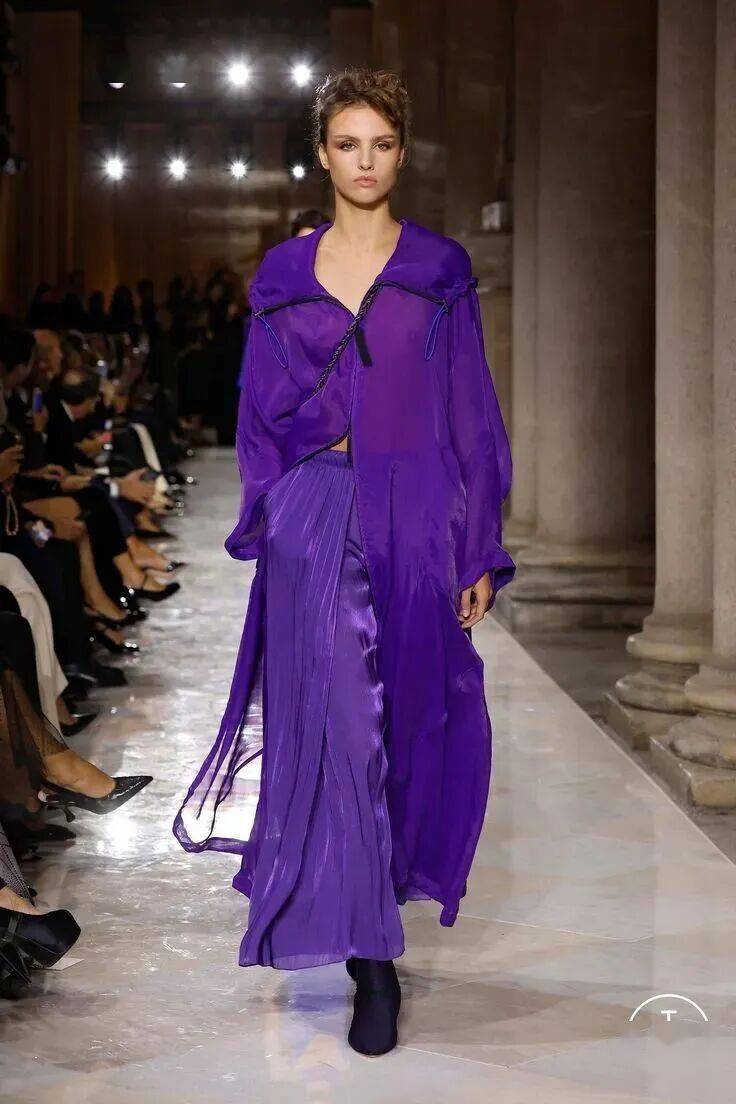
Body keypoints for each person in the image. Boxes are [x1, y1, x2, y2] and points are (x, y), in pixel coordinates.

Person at [173, 67, 516, 1057]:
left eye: (382, 144)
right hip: (317, 514)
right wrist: (275, 509)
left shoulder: (440, 268)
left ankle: (375, 914)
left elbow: (471, 413)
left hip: (415, 517)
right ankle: (373, 960)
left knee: (404, 724)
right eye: (347, 144)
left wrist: (477, 544)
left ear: (400, 155)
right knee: (343, 729)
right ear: (322, 155)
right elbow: (257, 409)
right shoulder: (284, 275)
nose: (365, 162)